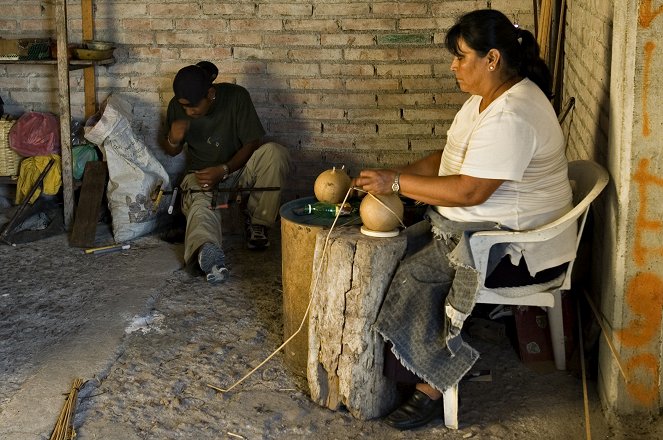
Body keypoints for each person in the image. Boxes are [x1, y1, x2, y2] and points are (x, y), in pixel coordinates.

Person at [353, 9, 576, 430]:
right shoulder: (483, 102)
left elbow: (472, 191)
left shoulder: (514, 113)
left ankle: (432, 385)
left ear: (491, 59)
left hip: (514, 250)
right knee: (399, 248)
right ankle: (411, 365)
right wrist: (395, 176)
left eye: (461, 57)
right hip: (476, 229)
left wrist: (398, 182)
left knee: (413, 277)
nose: (454, 66)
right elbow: (447, 160)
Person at [162, 63, 290, 284]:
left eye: (193, 107)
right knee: (199, 202)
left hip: (238, 171)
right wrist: (173, 138)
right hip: (201, 176)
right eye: (184, 107)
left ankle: (258, 224)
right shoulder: (177, 106)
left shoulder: (236, 97)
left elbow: (253, 142)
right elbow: (172, 151)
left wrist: (224, 169)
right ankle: (206, 250)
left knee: (275, 153)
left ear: (210, 94)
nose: (188, 112)